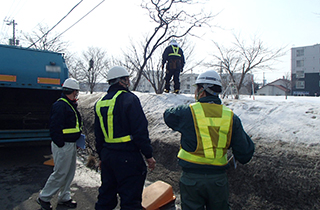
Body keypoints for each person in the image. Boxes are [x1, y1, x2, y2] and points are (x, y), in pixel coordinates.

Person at [163, 69, 254, 210]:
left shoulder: (188, 112)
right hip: (218, 181)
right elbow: (245, 153)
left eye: (197, 89)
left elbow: (168, 115)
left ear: (202, 90)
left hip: (191, 180)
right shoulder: (231, 117)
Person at [94, 66, 156, 210]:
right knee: (130, 202)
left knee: (105, 198)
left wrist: (101, 156)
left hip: (108, 156)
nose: (128, 82)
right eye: (127, 79)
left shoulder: (100, 103)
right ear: (122, 81)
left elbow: (98, 135)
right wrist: (148, 155)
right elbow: (140, 131)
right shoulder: (130, 99)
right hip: (128, 158)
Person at [37, 78, 82, 210]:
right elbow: (55, 127)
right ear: (73, 91)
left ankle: (64, 197)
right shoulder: (60, 105)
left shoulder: (68, 104)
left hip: (70, 144)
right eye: (76, 92)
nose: (77, 94)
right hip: (64, 145)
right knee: (60, 172)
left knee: (69, 172)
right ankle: (44, 197)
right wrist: (60, 144)